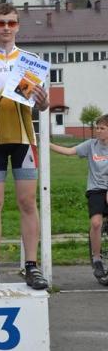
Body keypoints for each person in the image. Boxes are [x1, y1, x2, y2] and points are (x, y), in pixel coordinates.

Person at [0, 2, 49, 290]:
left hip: (25, 140)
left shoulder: (31, 61)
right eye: (1, 23)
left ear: (17, 26)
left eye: (11, 23)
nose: (6, 28)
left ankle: (31, 266)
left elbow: (42, 105)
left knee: (27, 202)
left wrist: (43, 101)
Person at [50, 114, 108, 282]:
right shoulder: (91, 145)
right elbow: (69, 151)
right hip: (96, 189)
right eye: (97, 128)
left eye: (102, 128)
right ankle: (97, 259)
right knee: (96, 223)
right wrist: (47, 144)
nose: (98, 131)